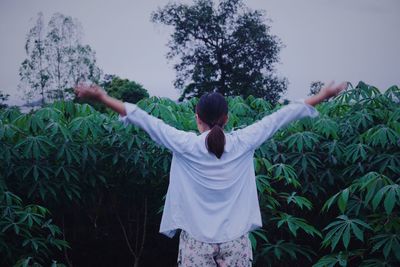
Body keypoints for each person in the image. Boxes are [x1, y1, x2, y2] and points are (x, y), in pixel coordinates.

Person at [75, 81, 347, 267]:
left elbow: (142, 117)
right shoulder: (243, 142)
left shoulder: (185, 144)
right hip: (236, 242)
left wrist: (100, 96)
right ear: (227, 118)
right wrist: (323, 94)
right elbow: (283, 115)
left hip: (196, 243)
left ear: (197, 117)